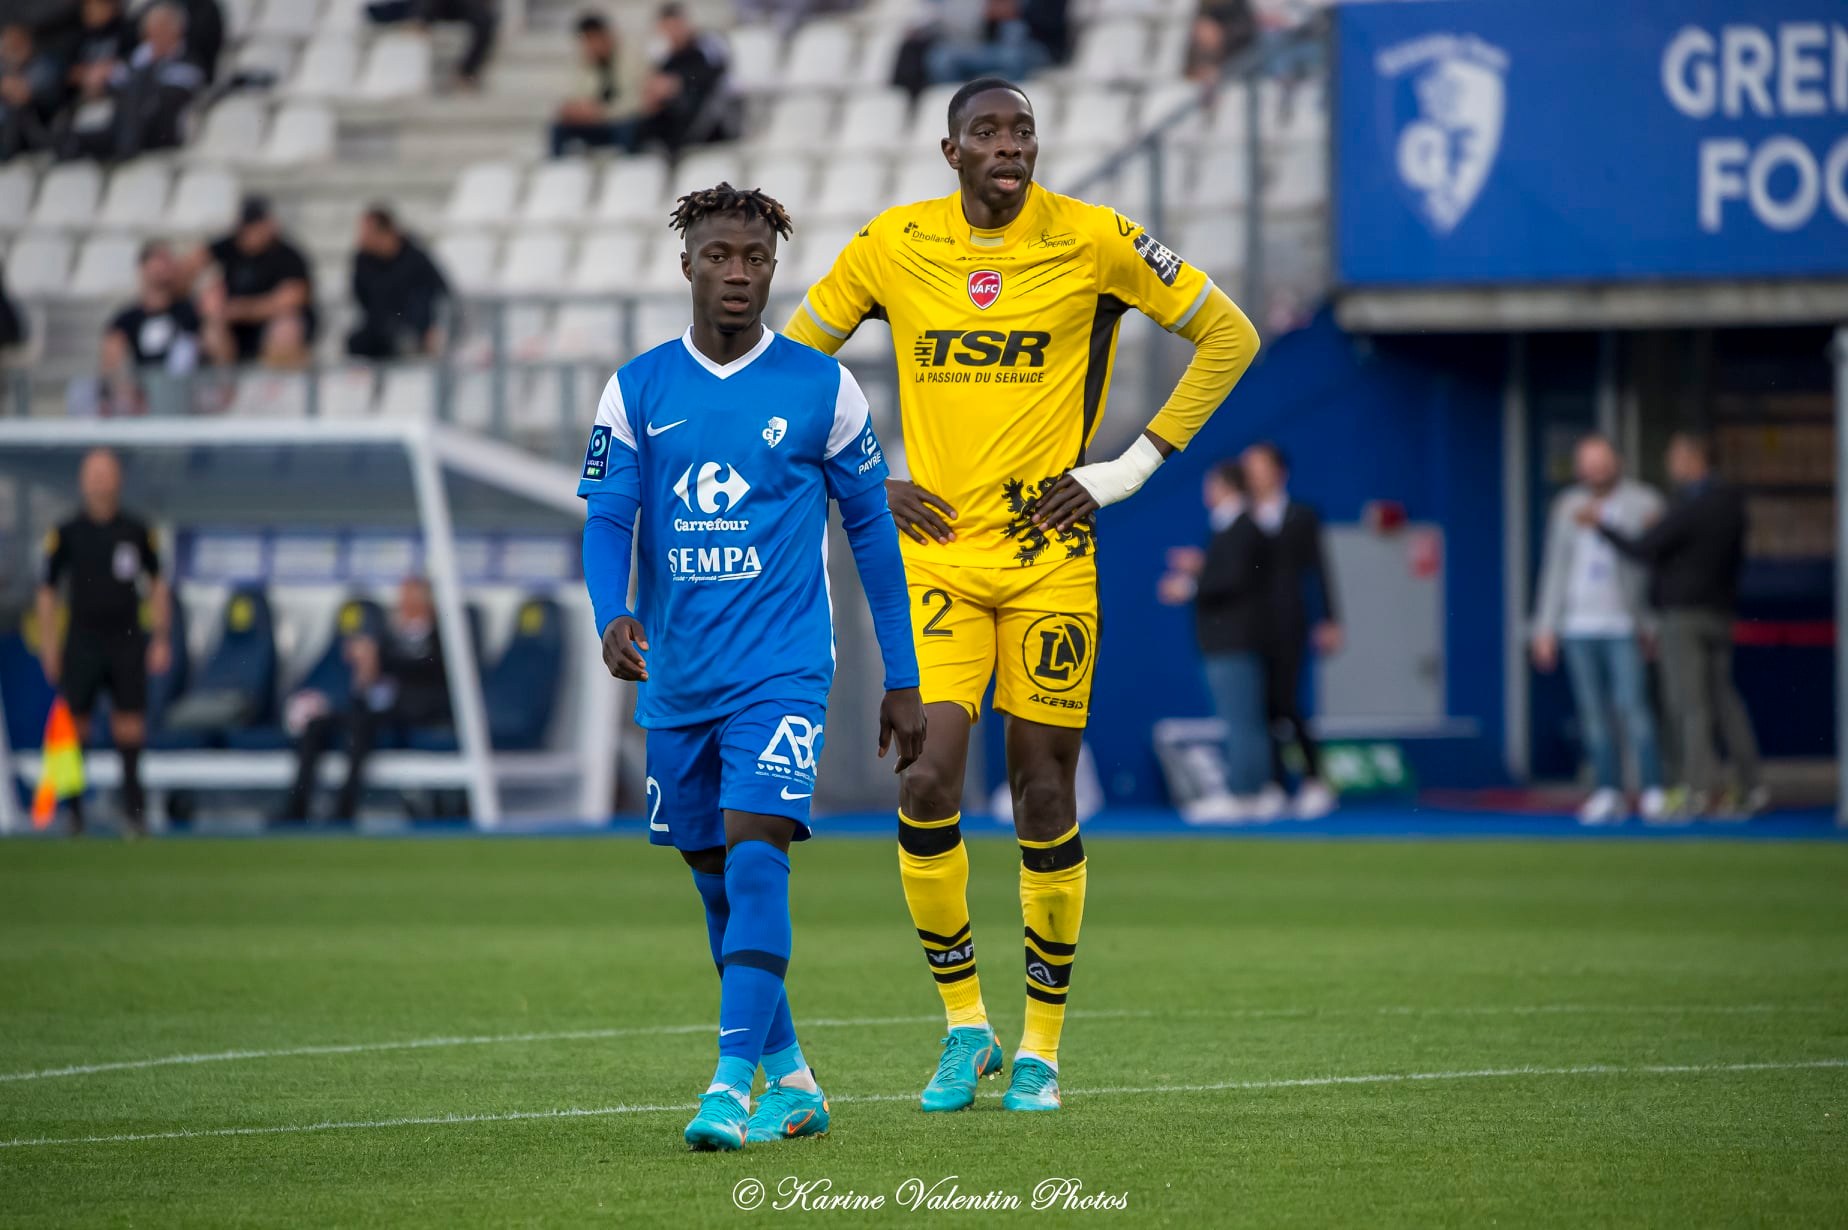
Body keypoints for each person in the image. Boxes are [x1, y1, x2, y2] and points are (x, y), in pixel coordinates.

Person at [783, 77, 1260, 1112]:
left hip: (1050, 559)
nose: (1010, 145)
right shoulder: (894, 243)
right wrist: (860, 478)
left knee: (1043, 791)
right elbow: (785, 369)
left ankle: (1041, 1047)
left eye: (1023, 131)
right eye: (987, 132)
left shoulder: (1095, 239)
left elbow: (1231, 334)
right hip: (937, 563)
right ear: (950, 151)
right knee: (926, 783)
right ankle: (967, 1029)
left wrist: (1128, 469)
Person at [579, 183, 925, 1149]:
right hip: (678, 676)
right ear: (686, 264)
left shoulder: (824, 388)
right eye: (720, 256)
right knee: (713, 880)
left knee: (759, 851)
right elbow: (608, 521)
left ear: (774, 268)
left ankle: (729, 1088)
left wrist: (902, 675)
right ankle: (795, 1080)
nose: (739, 273)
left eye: (756, 258)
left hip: (781, 669)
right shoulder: (636, 389)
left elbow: (872, 535)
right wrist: (612, 614)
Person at [1585, 432, 1763, 818]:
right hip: (1720, 611)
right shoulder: (1731, 502)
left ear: (1694, 459)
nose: (1671, 464)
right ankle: (1751, 787)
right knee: (1724, 700)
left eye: (1675, 457)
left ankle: (1698, 789)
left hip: (1684, 615)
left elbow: (1643, 549)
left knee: (1689, 703)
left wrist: (1602, 527)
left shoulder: (1693, 504)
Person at [35, 448, 172, 836]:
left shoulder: (136, 530)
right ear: (82, 481)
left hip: (126, 640)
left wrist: (161, 637)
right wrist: (49, 645)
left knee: (130, 725)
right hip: (82, 640)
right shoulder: (66, 533)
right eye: (93, 474)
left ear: (118, 479)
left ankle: (134, 813)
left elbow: (158, 585)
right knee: (74, 725)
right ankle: (74, 813)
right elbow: (47, 592)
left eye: (106, 473)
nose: (99, 481)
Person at [1532, 433, 1667, 825]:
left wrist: (1651, 623)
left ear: (1617, 463)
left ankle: (1652, 789)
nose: (1596, 470)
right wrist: (1545, 626)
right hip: (1579, 624)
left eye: (1602, 462)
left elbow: (1653, 562)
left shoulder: (1644, 502)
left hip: (1625, 622)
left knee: (1634, 709)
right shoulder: (1567, 506)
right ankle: (1607, 791)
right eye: (1589, 464)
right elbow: (1555, 567)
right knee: (1593, 715)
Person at [281, 577, 452, 823]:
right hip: (376, 707)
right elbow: (369, 680)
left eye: (409, 596)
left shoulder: (442, 636)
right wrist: (366, 665)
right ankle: (296, 807)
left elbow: (431, 672)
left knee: (361, 725)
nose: (403, 602)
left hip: (413, 711)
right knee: (317, 724)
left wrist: (383, 660)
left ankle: (343, 809)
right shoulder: (389, 635)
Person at [1159, 459, 1271, 821]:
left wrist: (1190, 586)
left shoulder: (1240, 526)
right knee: (1244, 719)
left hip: (1232, 639)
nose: (1206, 492)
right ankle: (1256, 791)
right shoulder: (1234, 527)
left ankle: (1244, 793)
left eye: (1211, 485)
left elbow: (1235, 580)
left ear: (1225, 487)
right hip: (1233, 639)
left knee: (1240, 719)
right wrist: (1201, 568)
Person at [1239, 441, 1339, 819]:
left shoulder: (1302, 515)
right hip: (1251, 625)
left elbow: (1320, 569)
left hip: (1290, 622)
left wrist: (1329, 619)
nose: (1253, 474)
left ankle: (1315, 781)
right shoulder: (1242, 515)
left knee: (1287, 702)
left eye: (1259, 466)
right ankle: (1276, 785)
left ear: (1279, 472)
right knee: (1262, 705)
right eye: (1248, 467)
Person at [60, 2, 203, 162]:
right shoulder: (139, 59)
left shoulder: (188, 61)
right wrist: (99, 75)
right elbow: (113, 78)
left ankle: (123, 146)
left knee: (138, 96)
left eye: (162, 30)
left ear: (177, 31)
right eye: (152, 32)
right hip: (126, 126)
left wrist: (138, 77)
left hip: (159, 130)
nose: (156, 37)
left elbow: (172, 94)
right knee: (75, 136)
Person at [101, 240, 232, 411]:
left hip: (187, 393)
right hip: (146, 396)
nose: (163, 267)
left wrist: (214, 320)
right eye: (158, 260)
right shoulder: (126, 319)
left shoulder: (193, 311)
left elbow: (219, 351)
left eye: (168, 261)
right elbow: (112, 362)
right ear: (143, 268)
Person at [190, 196, 316, 368]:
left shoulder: (288, 255)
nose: (250, 234)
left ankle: (276, 382)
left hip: (268, 324)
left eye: (256, 227)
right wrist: (207, 297)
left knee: (285, 327)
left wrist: (241, 310)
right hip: (236, 330)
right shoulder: (228, 247)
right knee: (212, 327)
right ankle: (223, 380)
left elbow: (292, 299)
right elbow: (190, 266)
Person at [346, 205, 450, 360]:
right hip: (379, 332)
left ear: (383, 233)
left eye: (366, 232)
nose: (361, 237)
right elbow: (361, 298)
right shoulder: (363, 261)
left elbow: (441, 294)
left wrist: (433, 328)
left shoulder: (416, 259)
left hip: (415, 333)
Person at [548, 11, 632, 158]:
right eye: (587, 41)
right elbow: (574, 96)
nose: (591, 45)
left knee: (629, 126)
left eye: (593, 39)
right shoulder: (584, 64)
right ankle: (557, 167)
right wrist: (577, 110)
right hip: (594, 122)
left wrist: (603, 112)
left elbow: (635, 101)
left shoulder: (629, 60)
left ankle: (628, 165)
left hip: (620, 121)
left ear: (605, 36)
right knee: (558, 127)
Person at [0, 22, 60, 161]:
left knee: (18, 109)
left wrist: (8, 86)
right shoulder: (5, 68)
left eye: (15, 45)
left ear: (27, 43)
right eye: (7, 47)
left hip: (39, 128)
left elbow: (23, 96)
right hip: (6, 129)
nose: (10, 51)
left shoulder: (44, 65)